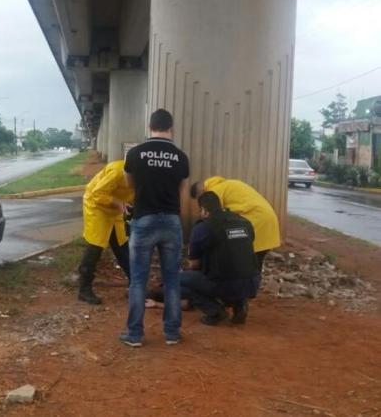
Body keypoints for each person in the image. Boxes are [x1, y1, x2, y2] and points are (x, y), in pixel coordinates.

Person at [120, 109, 190, 347]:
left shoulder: (136, 153)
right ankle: (172, 333)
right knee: (172, 279)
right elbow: (182, 189)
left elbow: (130, 183)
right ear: (172, 128)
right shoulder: (181, 157)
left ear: (150, 127)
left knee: (138, 279)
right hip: (171, 221)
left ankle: (135, 335)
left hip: (144, 219)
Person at [180, 191, 260, 325]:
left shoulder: (203, 227)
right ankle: (239, 305)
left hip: (224, 284)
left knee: (177, 280)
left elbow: (193, 264)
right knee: (233, 271)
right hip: (252, 283)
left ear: (204, 211)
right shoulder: (243, 222)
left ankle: (215, 311)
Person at [190, 177, 280, 271]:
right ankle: (253, 282)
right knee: (255, 260)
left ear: (202, 192)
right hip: (267, 218)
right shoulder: (226, 184)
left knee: (246, 258)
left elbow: (214, 220)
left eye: (200, 199)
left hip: (257, 219)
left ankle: (247, 282)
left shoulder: (214, 191)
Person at [78, 160, 134, 304]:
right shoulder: (117, 172)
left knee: (122, 246)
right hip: (96, 206)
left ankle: (135, 285)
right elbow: (98, 194)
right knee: (95, 246)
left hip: (116, 209)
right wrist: (120, 204)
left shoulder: (145, 175)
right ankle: (84, 289)